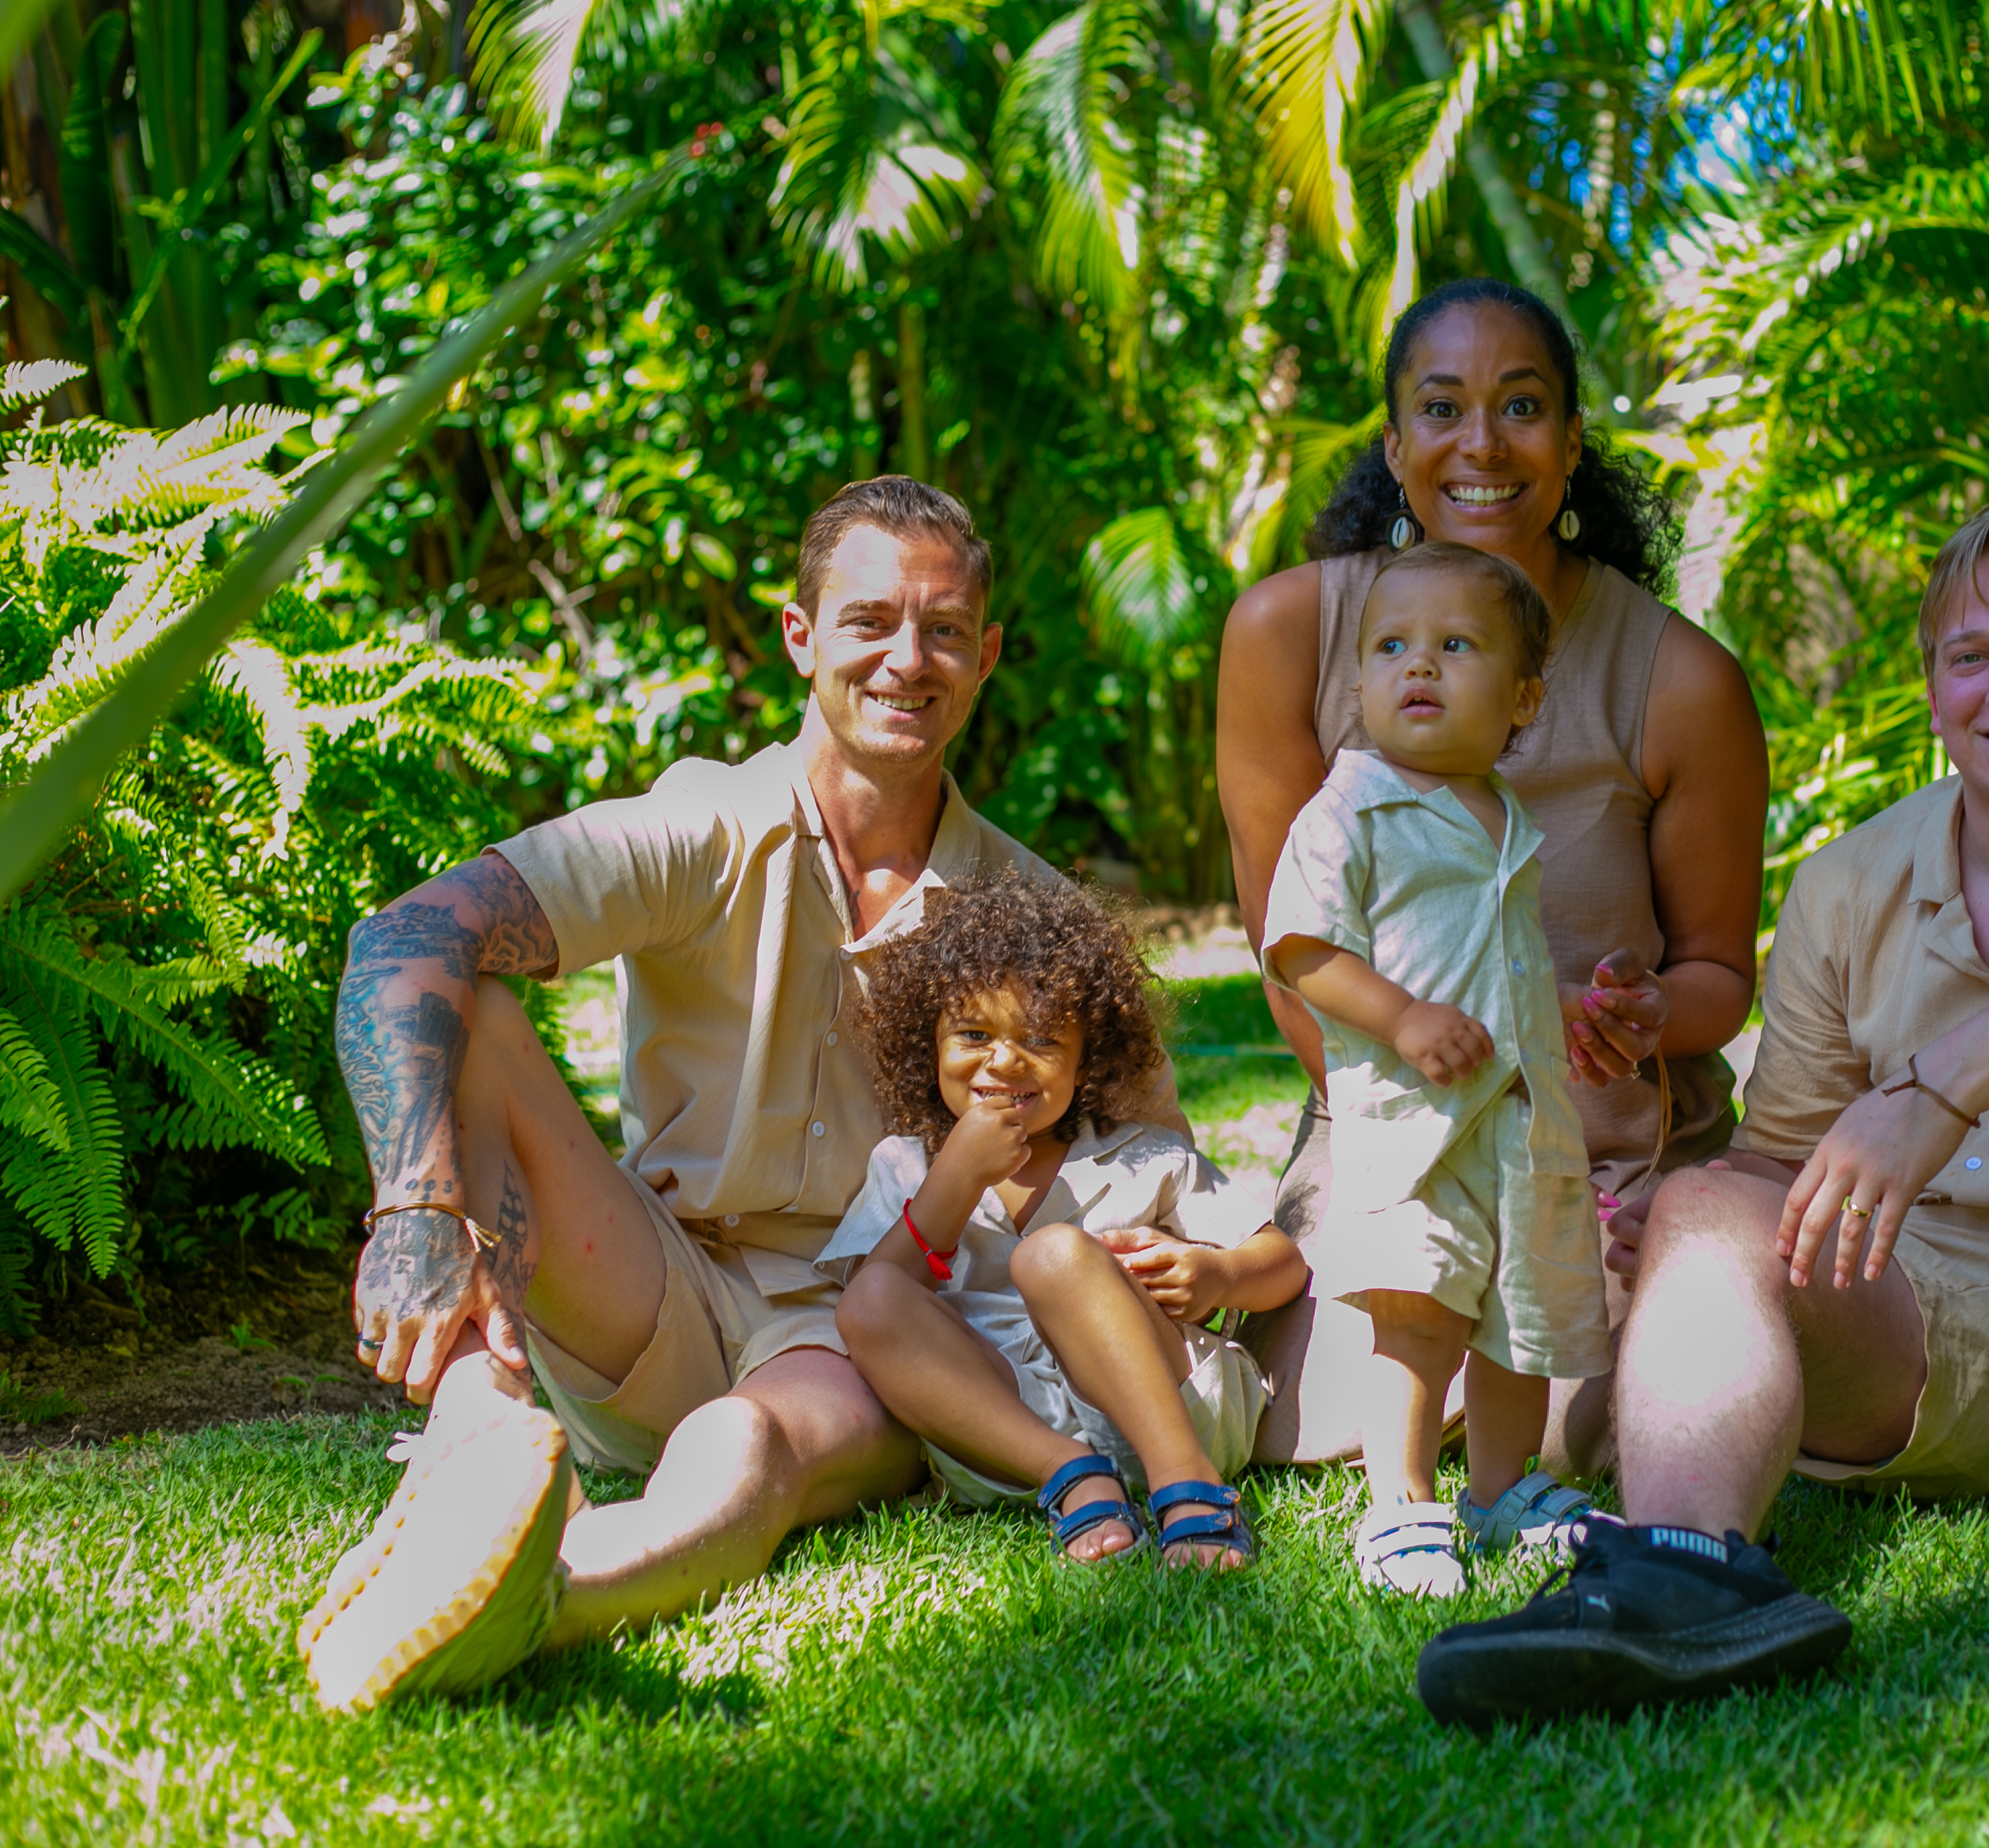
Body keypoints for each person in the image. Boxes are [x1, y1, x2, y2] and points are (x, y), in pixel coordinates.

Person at [1416, 500, 1989, 1725]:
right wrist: (1678, 1248)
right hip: (1931, 1347)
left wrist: (1936, 1085)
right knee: (1706, 1203)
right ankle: (1681, 1569)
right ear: (1933, 691)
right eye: (1970, 656)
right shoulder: (1848, 879)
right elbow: (1782, 1168)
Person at [298, 477, 1160, 1711]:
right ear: (800, 637)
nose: (906, 660)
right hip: (647, 1276)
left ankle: (546, 1597)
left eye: (944, 629)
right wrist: (418, 1211)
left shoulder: (1025, 913)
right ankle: (475, 1439)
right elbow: (404, 941)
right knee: (474, 1008)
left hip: (865, 1323)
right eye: (868, 621)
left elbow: (1157, 1149)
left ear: (986, 657)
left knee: (747, 1445)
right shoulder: (702, 824)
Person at [1218, 278, 1768, 1471]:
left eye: (1520, 407)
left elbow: (1721, 974)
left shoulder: (1679, 682)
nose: (1481, 444)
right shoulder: (1285, 634)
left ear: (1570, 444)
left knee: (1589, 1429)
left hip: (1611, 1152)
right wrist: (1419, 1159)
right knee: (1293, 1426)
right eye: (1441, 408)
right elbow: (1293, 962)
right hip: (1387, 1129)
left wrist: (1642, 1016)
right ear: (1395, 445)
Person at [1262, 543, 1620, 1593]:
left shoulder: (1505, 815)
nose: (1418, 666)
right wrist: (1404, 1017)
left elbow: (1495, 966)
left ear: (1521, 699)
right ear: (1361, 680)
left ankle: (1502, 1489)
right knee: (1418, 1318)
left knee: (1518, 1325)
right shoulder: (1349, 811)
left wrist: (1568, 1009)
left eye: (1454, 647)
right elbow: (1303, 948)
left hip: (1521, 1124)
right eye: (1392, 648)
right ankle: (1402, 1504)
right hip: (1415, 1129)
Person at [818, 870, 1305, 1568]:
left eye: (1042, 1040)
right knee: (867, 1298)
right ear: (930, 1043)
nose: (1004, 1060)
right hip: (1004, 1435)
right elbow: (873, 1310)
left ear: (1090, 1058)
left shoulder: (1144, 1156)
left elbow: (1283, 1264)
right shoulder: (905, 1166)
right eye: (974, 1033)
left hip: (1169, 1408)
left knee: (1052, 1255)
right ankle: (1073, 1476)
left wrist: (1220, 1275)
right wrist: (953, 1180)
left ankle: (1184, 1481)